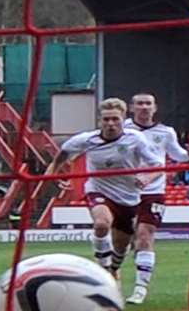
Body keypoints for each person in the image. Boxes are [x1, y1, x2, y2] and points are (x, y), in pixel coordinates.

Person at [51, 98, 164, 281]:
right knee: (102, 224)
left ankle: (113, 269)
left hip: (128, 197)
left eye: (115, 119)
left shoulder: (135, 139)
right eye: (106, 119)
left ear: (123, 119)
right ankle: (103, 271)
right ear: (99, 120)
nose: (110, 124)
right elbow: (61, 156)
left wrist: (147, 178)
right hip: (98, 190)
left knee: (120, 249)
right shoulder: (86, 139)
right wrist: (53, 176)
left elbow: (157, 164)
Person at [127, 92, 189, 305]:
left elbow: (178, 156)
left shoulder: (165, 132)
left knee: (145, 236)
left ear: (155, 108)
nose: (144, 107)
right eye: (139, 103)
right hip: (124, 191)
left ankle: (140, 288)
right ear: (131, 108)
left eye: (148, 104)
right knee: (127, 239)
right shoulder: (123, 129)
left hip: (154, 191)